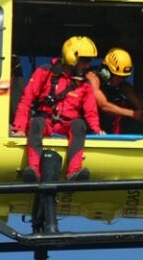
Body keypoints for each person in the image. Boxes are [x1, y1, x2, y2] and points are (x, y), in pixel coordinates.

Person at [11, 36, 102, 182]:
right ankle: (33, 169)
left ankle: (73, 172)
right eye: (85, 61)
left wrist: (97, 132)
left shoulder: (85, 85)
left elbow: (91, 112)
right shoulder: (45, 73)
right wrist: (20, 128)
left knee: (79, 125)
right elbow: (26, 100)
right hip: (46, 122)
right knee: (36, 122)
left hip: (67, 125)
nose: (87, 65)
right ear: (72, 57)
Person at [86, 48, 143, 134]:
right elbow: (104, 106)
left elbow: (137, 102)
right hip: (87, 127)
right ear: (106, 72)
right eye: (118, 76)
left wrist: (142, 108)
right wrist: (133, 114)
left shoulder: (121, 84)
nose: (121, 80)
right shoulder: (92, 78)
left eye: (124, 77)